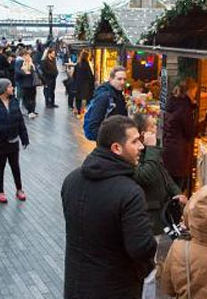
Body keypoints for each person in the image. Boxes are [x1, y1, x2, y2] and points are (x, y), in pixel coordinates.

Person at [61, 115, 156, 298]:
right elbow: (142, 248)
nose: (141, 146)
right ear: (116, 148)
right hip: (115, 288)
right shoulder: (130, 192)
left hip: (76, 286)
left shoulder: (71, 180)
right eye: (135, 141)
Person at [132, 113, 187, 299]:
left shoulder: (152, 153)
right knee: (148, 266)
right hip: (148, 216)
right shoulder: (137, 154)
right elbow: (145, 176)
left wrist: (176, 191)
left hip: (159, 214)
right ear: (141, 133)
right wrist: (151, 148)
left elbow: (164, 174)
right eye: (152, 128)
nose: (156, 131)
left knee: (153, 261)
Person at [162, 78, 207, 194]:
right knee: (178, 189)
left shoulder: (173, 103)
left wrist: (192, 107)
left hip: (170, 150)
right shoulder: (184, 109)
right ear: (190, 91)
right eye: (195, 92)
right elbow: (191, 132)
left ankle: (169, 209)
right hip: (179, 155)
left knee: (170, 187)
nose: (195, 95)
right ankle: (174, 211)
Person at [83, 66, 128, 141]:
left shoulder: (118, 94)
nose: (122, 82)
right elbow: (93, 126)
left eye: (124, 79)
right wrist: (107, 140)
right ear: (111, 79)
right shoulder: (104, 97)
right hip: (108, 142)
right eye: (119, 79)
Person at [15, 50, 38, 118]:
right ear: (23, 56)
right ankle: (30, 111)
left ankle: (32, 111)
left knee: (32, 97)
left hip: (32, 83)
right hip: (25, 83)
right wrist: (25, 73)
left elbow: (34, 71)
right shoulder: (20, 62)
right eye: (27, 55)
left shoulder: (31, 62)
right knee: (26, 98)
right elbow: (17, 71)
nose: (29, 57)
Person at [73, 50, 94, 117]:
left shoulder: (77, 65)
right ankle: (87, 112)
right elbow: (90, 76)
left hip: (78, 85)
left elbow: (74, 75)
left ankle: (79, 112)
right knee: (88, 98)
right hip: (86, 85)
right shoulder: (87, 65)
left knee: (78, 99)